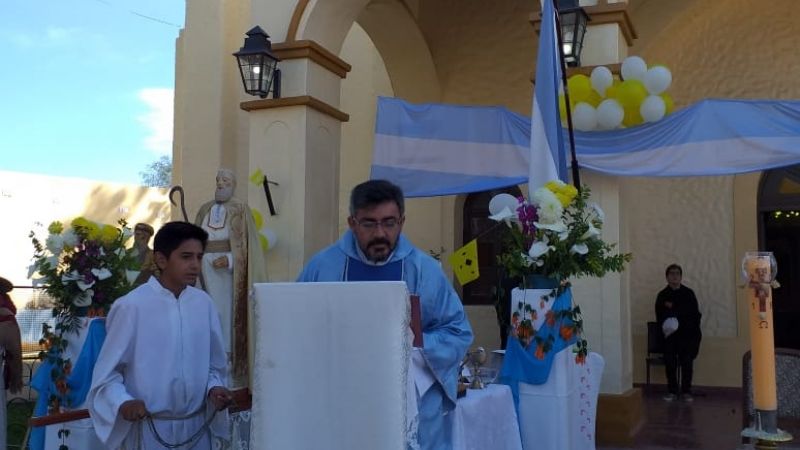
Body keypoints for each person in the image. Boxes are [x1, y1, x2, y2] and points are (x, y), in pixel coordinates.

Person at [297, 179, 473, 450]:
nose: (380, 233)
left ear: (402, 221)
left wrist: (415, 344)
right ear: (352, 222)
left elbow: (458, 332)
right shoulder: (323, 268)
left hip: (408, 406)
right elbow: (298, 330)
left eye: (389, 222)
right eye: (369, 223)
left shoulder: (424, 271)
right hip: (340, 403)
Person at [88, 222, 232, 449]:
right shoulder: (131, 306)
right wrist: (123, 402)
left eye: (198, 257)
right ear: (161, 259)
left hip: (196, 430)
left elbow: (214, 364)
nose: (195, 265)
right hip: (150, 431)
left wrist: (214, 388)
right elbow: (107, 374)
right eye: (186, 257)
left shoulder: (204, 304)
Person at [194, 168, 267, 387]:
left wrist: (230, 259)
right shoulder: (204, 209)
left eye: (225, 180)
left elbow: (247, 247)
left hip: (228, 277)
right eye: (218, 180)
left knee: (225, 316)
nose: (220, 183)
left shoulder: (240, 209)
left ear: (233, 184)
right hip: (201, 272)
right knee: (203, 314)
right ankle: (202, 366)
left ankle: (226, 368)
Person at [655, 263, 702, 402]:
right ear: (667, 277)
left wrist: (676, 311)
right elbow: (660, 314)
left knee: (687, 363)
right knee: (670, 364)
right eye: (671, 273)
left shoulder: (688, 293)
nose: (674, 276)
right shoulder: (662, 295)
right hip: (670, 337)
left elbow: (694, 314)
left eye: (677, 273)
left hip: (687, 336)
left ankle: (686, 391)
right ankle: (672, 391)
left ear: (681, 277)